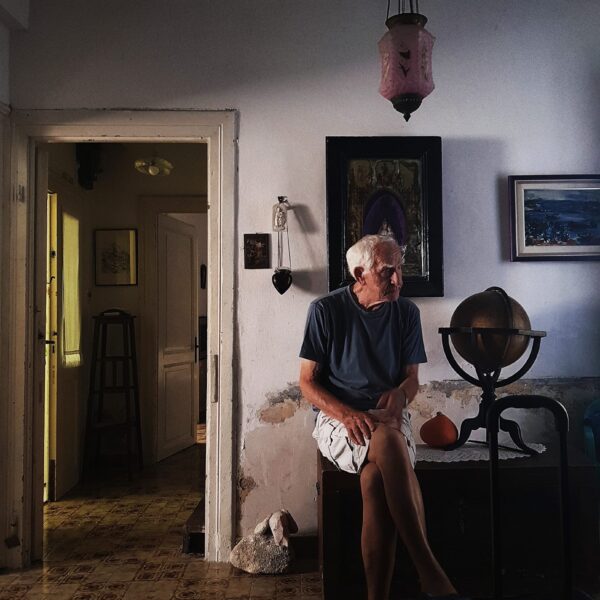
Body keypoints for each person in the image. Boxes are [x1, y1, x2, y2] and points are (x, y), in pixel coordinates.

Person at [299, 234, 467, 600]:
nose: (398, 280)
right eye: (387, 271)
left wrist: (400, 395)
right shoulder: (325, 311)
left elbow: (411, 380)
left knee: (375, 478)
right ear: (360, 274)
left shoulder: (406, 313)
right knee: (389, 441)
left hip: (389, 418)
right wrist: (346, 414)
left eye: (399, 270)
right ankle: (431, 575)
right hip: (339, 418)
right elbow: (307, 383)